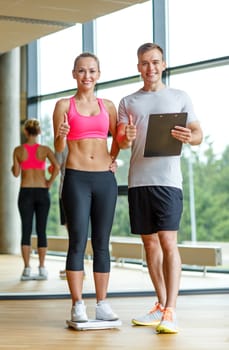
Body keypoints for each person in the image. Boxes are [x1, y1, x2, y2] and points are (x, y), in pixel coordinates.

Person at [116, 43, 203, 334]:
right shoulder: (128, 101)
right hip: (139, 180)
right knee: (149, 244)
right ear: (138, 67)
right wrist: (126, 136)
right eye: (144, 63)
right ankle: (161, 304)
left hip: (167, 181)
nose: (150, 68)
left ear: (163, 64)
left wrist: (191, 136)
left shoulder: (180, 97)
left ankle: (171, 311)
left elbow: (198, 134)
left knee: (168, 240)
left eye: (155, 62)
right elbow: (122, 143)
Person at [52, 52, 120, 323]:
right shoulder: (62, 105)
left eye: (92, 71)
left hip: (104, 178)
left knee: (102, 243)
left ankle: (102, 303)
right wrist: (61, 136)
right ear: (74, 74)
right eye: (81, 71)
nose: (87, 76)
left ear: (99, 74)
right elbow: (59, 149)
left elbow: (117, 140)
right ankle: (78, 304)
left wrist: (113, 159)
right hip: (76, 177)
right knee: (77, 241)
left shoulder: (109, 106)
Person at [11, 119, 60, 281]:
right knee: (42, 231)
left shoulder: (18, 151)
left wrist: (15, 165)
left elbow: (16, 173)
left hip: (25, 192)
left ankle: (26, 269)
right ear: (39, 132)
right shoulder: (44, 150)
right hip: (41, 191)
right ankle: (42, 268)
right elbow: (57, 167)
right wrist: (49, 182)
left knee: (26, 230)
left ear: (25, 132)